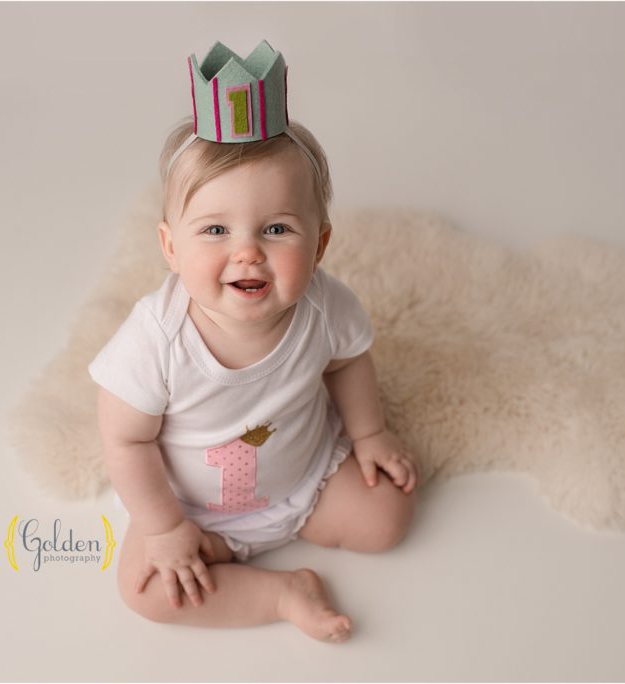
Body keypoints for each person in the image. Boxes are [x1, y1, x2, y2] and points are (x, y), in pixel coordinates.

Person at [88, 40, 417, 643]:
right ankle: (281, 594)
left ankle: (293, 532)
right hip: (194, 512)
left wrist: (369, 433)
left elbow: (348, 362)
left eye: (276, 229)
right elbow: (125, 438)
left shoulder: (324, 305)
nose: (247, 252)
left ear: (318, 246)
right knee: (146, 588)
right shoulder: (157, 340)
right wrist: (163, 528)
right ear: (170, 247)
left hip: (305, 480)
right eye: (215, 229)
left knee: (387, 515)